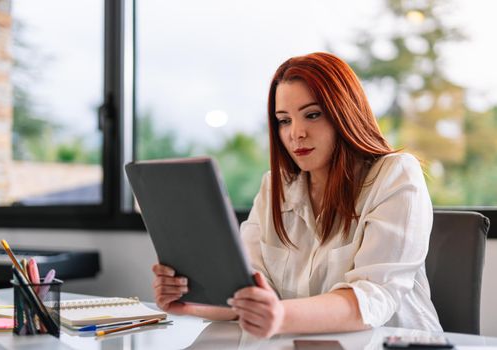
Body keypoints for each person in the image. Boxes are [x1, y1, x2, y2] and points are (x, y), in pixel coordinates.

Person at [152, 52, 442, 338]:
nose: (296, 133)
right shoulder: (275, 187)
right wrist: (190, 302)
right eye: (284, 120)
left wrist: (280, 316)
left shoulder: (395, 174)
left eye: (312, 115)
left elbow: (373, 295)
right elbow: (250, 289)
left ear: (344, 113)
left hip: (392, 342)